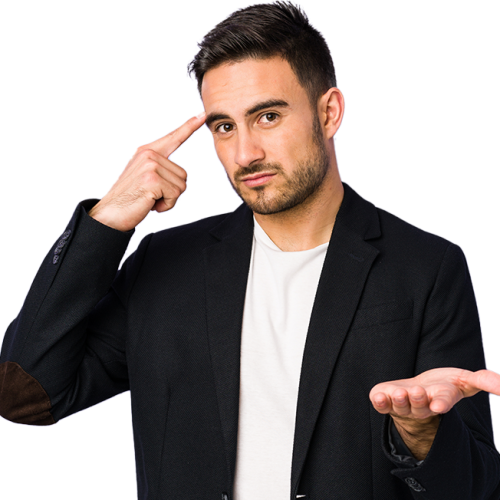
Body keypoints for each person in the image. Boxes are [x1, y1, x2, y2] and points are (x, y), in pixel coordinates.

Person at [1, 0, 499, 498]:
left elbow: (476, 485)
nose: (245, 154)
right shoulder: (163, 264)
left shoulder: (427, 267)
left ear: (328, 112)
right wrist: (106, 222)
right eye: (224, 126)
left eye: (268, 116)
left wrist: (422, 435)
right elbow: (24, 395)